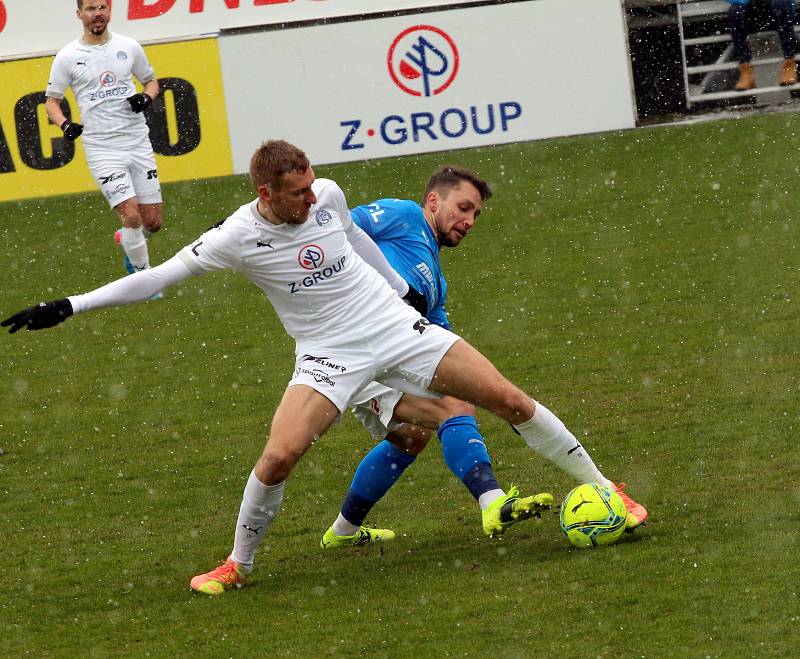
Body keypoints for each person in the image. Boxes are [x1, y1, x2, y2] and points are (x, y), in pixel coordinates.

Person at [3, 140, 633, 598]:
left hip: (393, 327)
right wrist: (69, 305)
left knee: (507, 398)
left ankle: (609, 491)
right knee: (278, 458)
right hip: (326, 355)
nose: (313, 197)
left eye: (312, 186)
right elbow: (160, 278)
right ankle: (238, 566)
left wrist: (396, 289)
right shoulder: (234, 237)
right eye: (298, 192)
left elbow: (354, 240)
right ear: (265, 194)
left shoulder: (327, 194)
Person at [320, 167, 648, 549]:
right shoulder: (404, 215)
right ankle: (496, 502)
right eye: (463, 208)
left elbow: (441, 340)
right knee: (456, 407)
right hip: (356, 349)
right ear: (433, 201)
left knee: (412, 437)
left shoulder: (436, 283)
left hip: (390, 354)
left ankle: (342, 531)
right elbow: (336, 225)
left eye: (475, 214)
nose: (469, 221)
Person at [45, 1, 164, 278]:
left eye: (101, 7)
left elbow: (152, 82)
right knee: (131, 215)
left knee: (153, 222)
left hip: (137, 142)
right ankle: (145, 278)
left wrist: (146, 97)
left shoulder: (129, 46)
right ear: (79, 14)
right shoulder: (67, 56)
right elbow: (52, 101)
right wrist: (65, 124)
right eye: (90, 8)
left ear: (109, 11)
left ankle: (127, 238)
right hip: (102, 149)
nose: (97, 13)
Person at [727, 0, 798, 90]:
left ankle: (789, 63)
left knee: (781, 4)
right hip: (751, 13)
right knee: (735, 11)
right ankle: (745, 69)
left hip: (778, 12)